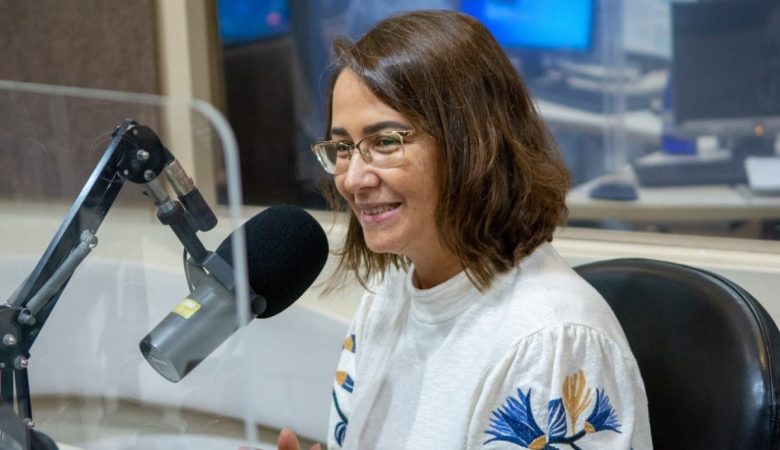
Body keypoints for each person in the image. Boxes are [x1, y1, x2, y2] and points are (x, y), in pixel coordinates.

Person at [281, 9, 651, 450]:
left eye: (385, 142)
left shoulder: (550, 342)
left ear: (472, 145)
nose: (354, 179)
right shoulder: (387, 296)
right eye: (343, 147)